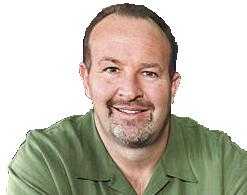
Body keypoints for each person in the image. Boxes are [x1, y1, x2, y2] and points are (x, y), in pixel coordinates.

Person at [7, 3, 247, 195]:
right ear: (86, 79)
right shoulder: (47, 159)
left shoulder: (223, 162)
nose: (130, 92)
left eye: (149, 73)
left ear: (173, 86)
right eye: (112, 69)